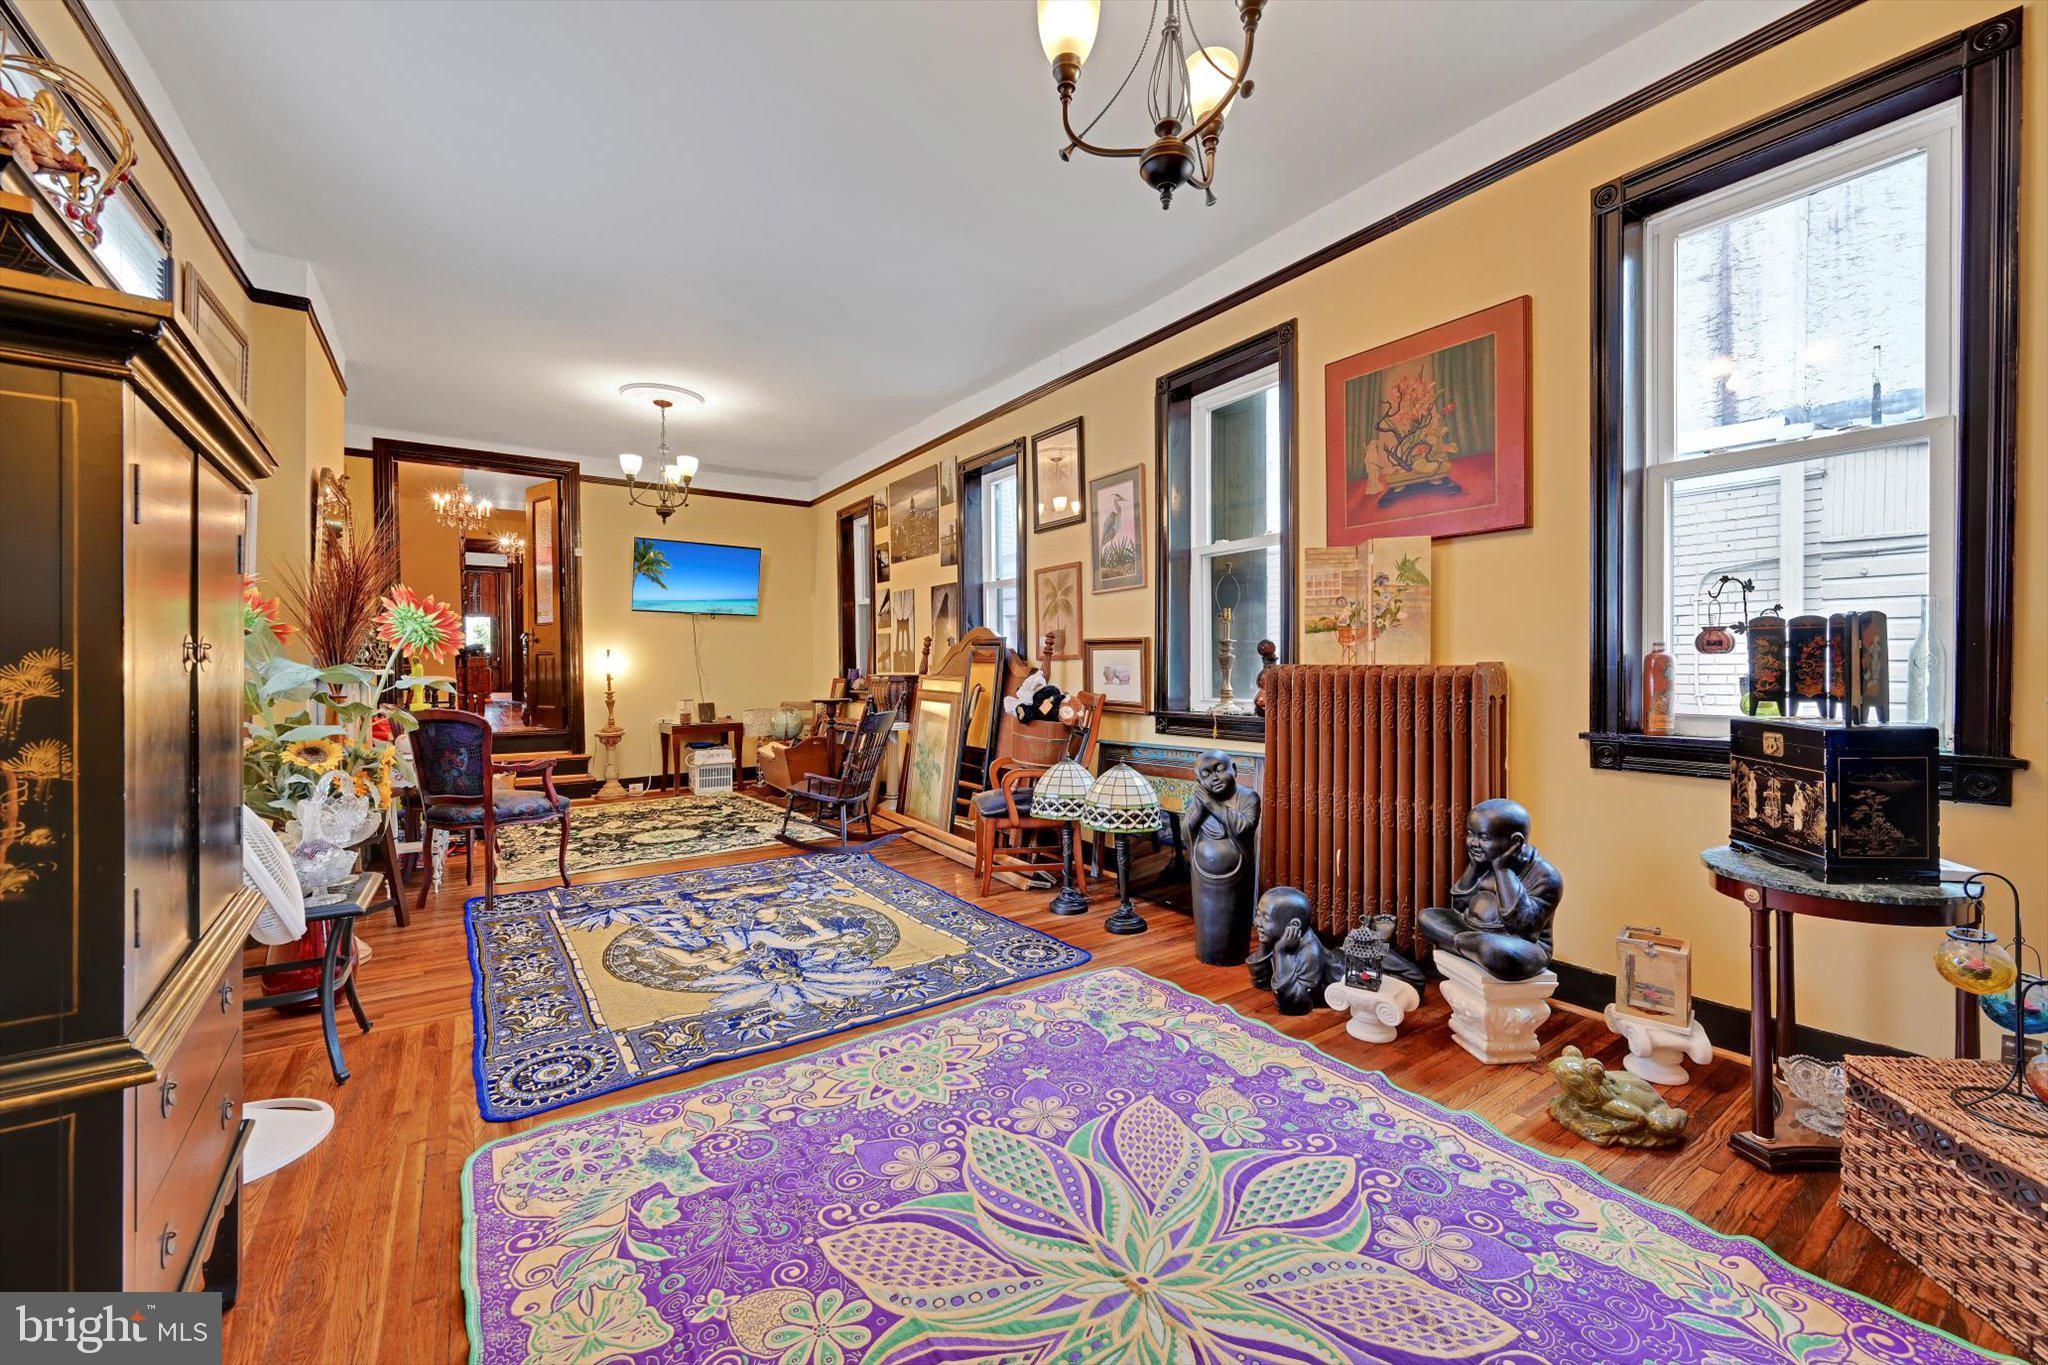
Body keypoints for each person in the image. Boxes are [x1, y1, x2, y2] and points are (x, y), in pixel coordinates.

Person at [1417, 798, 1563, 982]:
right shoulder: (1484, 858)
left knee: (1496, 953)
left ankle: (1469, 946)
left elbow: (1523, 928)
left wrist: (1502, 869)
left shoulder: (1546, 876)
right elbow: (1460, 907)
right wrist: (1474, 867)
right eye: (1471, 834)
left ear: (1515, 842)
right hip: (1473, 929)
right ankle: (1472, 947)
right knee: (1427, 916)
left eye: (1484, 837)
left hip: (1519, 944)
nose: (1474, 843)